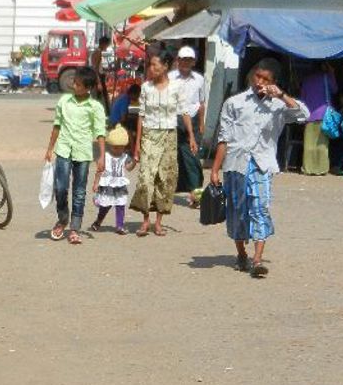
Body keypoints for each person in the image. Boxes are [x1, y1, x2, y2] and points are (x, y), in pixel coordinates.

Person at [210, 58, 309, 278]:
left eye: (266, 79)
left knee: (260, 208)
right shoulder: (234, 103)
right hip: (235, 164)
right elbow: (223, 139)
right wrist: (215, 170)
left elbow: (304, 115)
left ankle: (257, 259)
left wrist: (281, 95)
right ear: (251, 75)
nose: (260, 82)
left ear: (274, 82)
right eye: (258, 76)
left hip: (261, 164)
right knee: (237, 211)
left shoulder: (278, 106)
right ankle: (241, 253)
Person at [130, 51, 192, 237]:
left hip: (169, 136)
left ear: (166, 66)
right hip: (149, 135)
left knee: (165, 179)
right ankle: (145, 221)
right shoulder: (146, 88)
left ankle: (158, 223)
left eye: (156, 65)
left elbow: (185, 112)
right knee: (146, 178)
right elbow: (141, 116)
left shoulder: (176, 87)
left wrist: (191, 136)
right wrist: (137, 145)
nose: (152, 69)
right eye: (150, 65)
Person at [44, 66, 107, 245]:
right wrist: (50, 148)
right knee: (61, 188)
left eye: (78, 84)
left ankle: (74, 228)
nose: (73, 85)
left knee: (79, 192)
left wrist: (101, 157)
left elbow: (100, 133)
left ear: (87, 87)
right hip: (63, 149)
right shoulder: (64, 101)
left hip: (83, 153)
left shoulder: (95, 107)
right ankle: (62, 219)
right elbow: (56, 125)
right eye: (74, 81)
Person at [172, 46, 206, 206]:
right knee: (175, 157)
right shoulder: (170, 77)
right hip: (173, 120)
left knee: (193, 158)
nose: (185, 62)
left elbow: (201, 103)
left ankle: (195, 193)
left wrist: (201, 123)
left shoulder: (199, 79)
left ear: (194, 62)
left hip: (192, 120)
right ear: (178, 61)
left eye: (189, 60)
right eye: (183, 59)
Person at [90, 124, 136, 235]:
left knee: (121, 204)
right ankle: (98, 221)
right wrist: (96, 184)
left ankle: (119, 226)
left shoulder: (125, 157)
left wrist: (134, 162)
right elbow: (99, 171)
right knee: (106, 205)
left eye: (121, 147)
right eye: (115, 147)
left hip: (120, 185)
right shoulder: (105, 156)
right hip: (107, 185)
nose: (118, 150)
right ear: (110, 146)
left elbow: (128, 168)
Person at [298, 62, 337, 176]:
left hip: (309, 114)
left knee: (309, 144)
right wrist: (332, 73)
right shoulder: (326, 78)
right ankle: (321, 169)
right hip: (324, 114)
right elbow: (334, 90)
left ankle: (308, 169)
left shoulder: (306, 80)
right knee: (322, 144)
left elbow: (302, 97)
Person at [90, 36, 112, 109]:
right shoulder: (98, 53)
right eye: (107, 45)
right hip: (98, 77)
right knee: (100, 98)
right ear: (103, 44)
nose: (107, 47)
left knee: (100, 97)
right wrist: (98, 82)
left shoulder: (97, 52)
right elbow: (95, 68)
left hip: (98, 77)